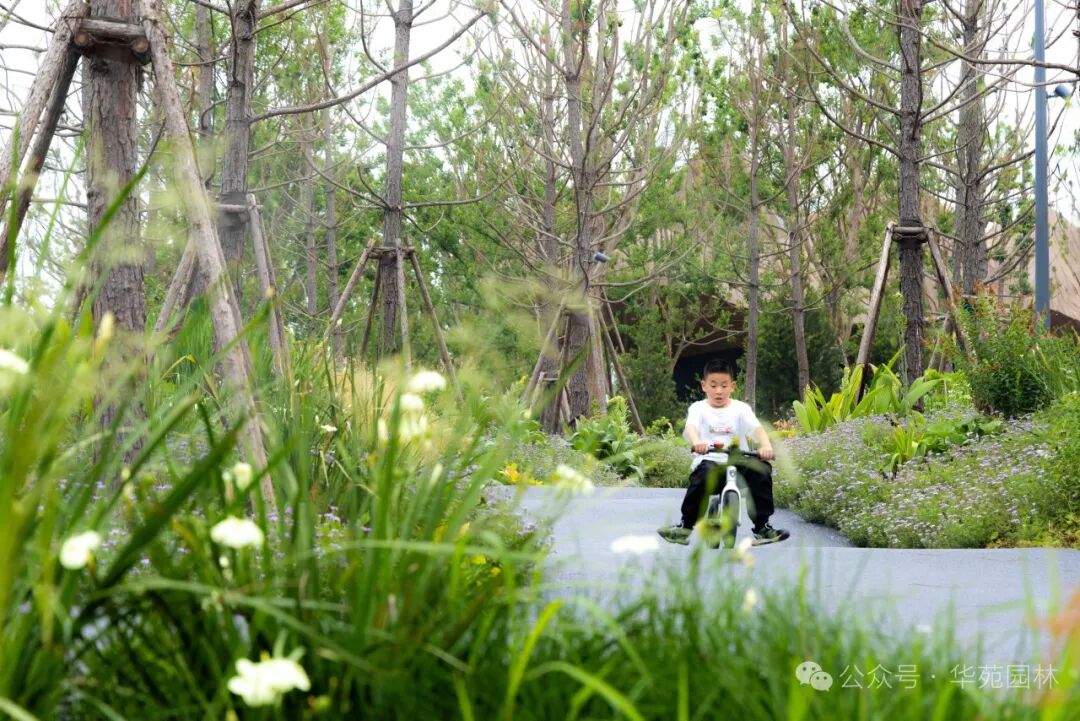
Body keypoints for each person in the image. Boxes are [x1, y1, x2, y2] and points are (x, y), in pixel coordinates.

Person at [657, 359, 790, 546]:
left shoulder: (741, 409)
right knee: (700, 479)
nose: (718, 391)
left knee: (762, 470)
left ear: (732, 386)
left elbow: (757, 429)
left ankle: (762, 527)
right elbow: (691, 427)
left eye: (724, 385)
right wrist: (697, 442)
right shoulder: (698, 408)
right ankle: (685, 527)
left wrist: (766, 446)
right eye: (713, 385)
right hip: (710, 460)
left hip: (740, 460)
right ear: (704, 386)